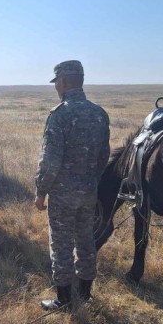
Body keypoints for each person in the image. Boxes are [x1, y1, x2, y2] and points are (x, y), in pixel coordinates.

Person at [34, 60, 110, 310]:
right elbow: (103, 157)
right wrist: (90, 182)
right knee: (86, 241)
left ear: (64, 82)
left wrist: (41, 191)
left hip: (63, 194)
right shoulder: (99, 113)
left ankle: (64, 300)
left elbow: (50, 161)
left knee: (61, 244)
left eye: (56, 81)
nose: (56, 86)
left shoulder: (60, 114)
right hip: (89, 192)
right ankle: (85, 295)